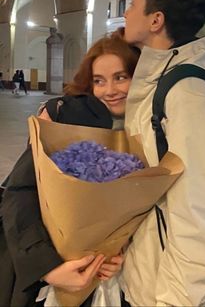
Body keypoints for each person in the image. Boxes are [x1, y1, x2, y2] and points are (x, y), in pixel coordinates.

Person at [117, 0, 205, 307]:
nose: (125, 14)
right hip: (145, 279)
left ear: (156, 19)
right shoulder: (162, 79)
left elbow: (198, 213)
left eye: (133, 3)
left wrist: (174, 302)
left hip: (168, 294)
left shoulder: (190, 94)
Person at [0, 29, 140, 307]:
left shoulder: (151, 130)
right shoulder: (65, 118)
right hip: (53, 273)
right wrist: (48, 267)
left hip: (120, 281)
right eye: (99, 81)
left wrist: (117, 252)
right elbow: (19, 192)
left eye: (121, 77)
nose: (109, 90)